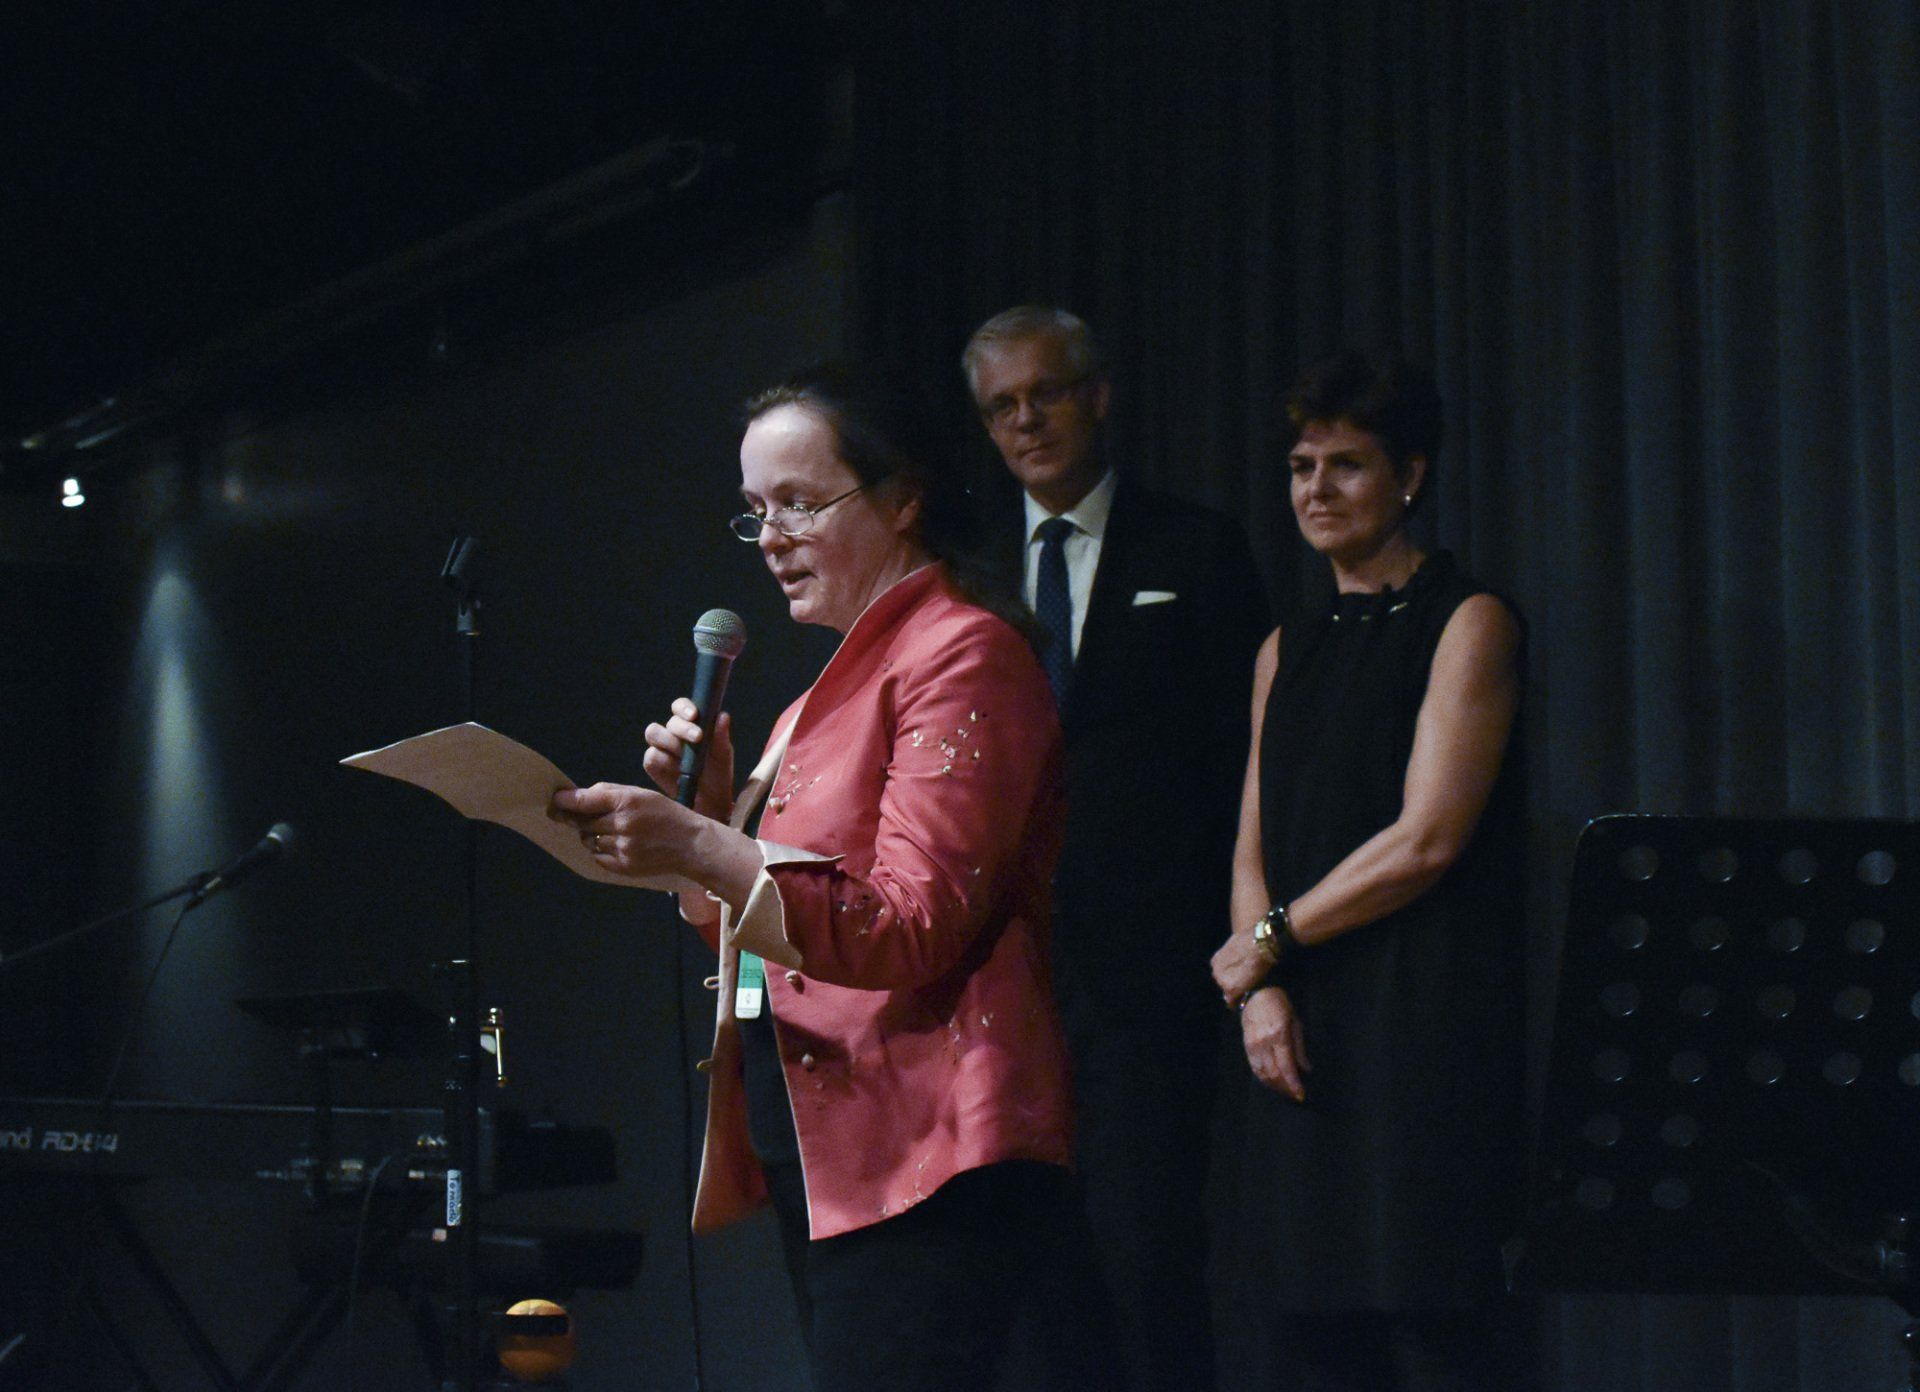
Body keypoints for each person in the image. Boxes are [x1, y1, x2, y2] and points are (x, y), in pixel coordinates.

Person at [551, 365, 1076, 1392]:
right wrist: (704, 827)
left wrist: (701, 843)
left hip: (933, 1144)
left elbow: (912, 923)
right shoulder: (812, 703)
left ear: (903, 497)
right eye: (756, 512)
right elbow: (757, 939)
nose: (772, 537)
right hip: (829, 1136)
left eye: (798, 502)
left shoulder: (961, 652)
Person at [1209, 350, 1528, 1391]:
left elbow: (1426, 838)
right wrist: (1261, 991)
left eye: (1346, 465)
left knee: (1430, 1335)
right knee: (1308, 1344)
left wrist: (1268, 942)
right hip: (1298, 1030)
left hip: (1419, 1020)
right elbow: (1252, 845)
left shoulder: (1467, 620)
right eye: (1301, 467)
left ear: (1411, 476)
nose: (1317, 489)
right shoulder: (1283, 647)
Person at [964, 306, 1269, 1392]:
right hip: (1003, 981)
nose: (1026, 421)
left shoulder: (1196, 547)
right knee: (1032, 1284)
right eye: (1002, 406)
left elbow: (1251, 760)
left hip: (1149, 978)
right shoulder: (969, 571)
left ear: (1097, 397)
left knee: (1148, 1264)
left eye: (1045, 393)